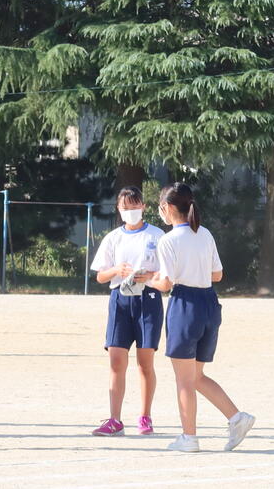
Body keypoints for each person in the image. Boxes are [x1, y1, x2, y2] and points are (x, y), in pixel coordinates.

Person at [148, 183, 255, 453]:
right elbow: (217, 274)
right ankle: (237, 418)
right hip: (209, 302)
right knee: (195, 376)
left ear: (167, 207)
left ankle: (189, 437)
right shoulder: (204, 233)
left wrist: (145, 280)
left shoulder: (168, 240)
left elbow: (166, 283)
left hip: (185, 304)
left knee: (184, 379)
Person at [89, 186, 164, 436]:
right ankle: (115, 419)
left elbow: (167, 271)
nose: (130, 211)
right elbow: (100, 276)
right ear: (118, 210)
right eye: (125, 207)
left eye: (134, 206)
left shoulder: (156, 235)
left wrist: (149, 275)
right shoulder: (113, 238)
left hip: (148, 299)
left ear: (143, 207)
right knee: (116, 360)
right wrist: (116, 270)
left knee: (145, 362)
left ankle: (145, 416)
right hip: (120, 299)